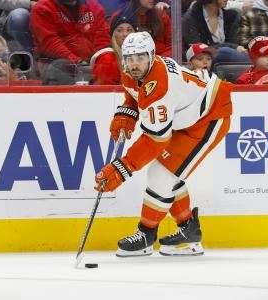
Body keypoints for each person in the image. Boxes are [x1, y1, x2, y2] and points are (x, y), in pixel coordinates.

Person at [93, 32, 233, 257]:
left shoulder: (159, 87)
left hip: (209, 116)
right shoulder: (134, 71)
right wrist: (127, 111)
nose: (134, 64)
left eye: (140, 58)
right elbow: (135, 93)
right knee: (167, 173)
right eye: (129, 58)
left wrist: (122, 168)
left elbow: (155, 140)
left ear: (151, 56)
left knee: (161, 174)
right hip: (186, 115)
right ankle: (189, 230)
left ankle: (146, 235)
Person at [30, 0, 110, 85]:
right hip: (57, 67)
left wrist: (97, 62)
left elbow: (102, 37)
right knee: (60, 66)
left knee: (109, 61)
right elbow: (49, 42)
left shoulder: (94, 6)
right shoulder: (42, 8)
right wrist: (77, 62)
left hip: (90, 65)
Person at [182, 0, 250, 65]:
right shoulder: (191, 18)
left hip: (228, 65)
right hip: (201, 63)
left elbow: (233, 44)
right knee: (225, 51)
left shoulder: (232, 16)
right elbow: (199, 49)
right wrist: (232, 47)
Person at [90, 13, 136, 85]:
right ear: (113, 35)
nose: (125, 34)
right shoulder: (107, 58)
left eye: (129, 30)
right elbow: (106, 92)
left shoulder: (140, 57)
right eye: (119, 30)